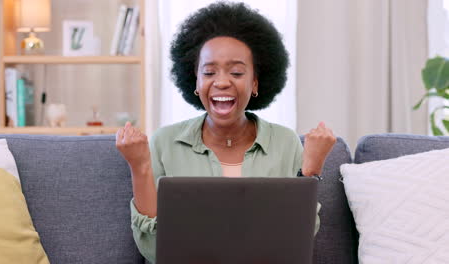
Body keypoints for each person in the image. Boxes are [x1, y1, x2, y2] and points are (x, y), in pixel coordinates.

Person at [116, 2, 336, 263]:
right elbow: (153, 250)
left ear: (255, 83)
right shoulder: (165, 143)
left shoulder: (285, 142)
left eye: (236, 72)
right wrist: (140, 166)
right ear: (195, 82)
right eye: (209, 72)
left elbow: (297, 242)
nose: (221, 81)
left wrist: (311, 171)